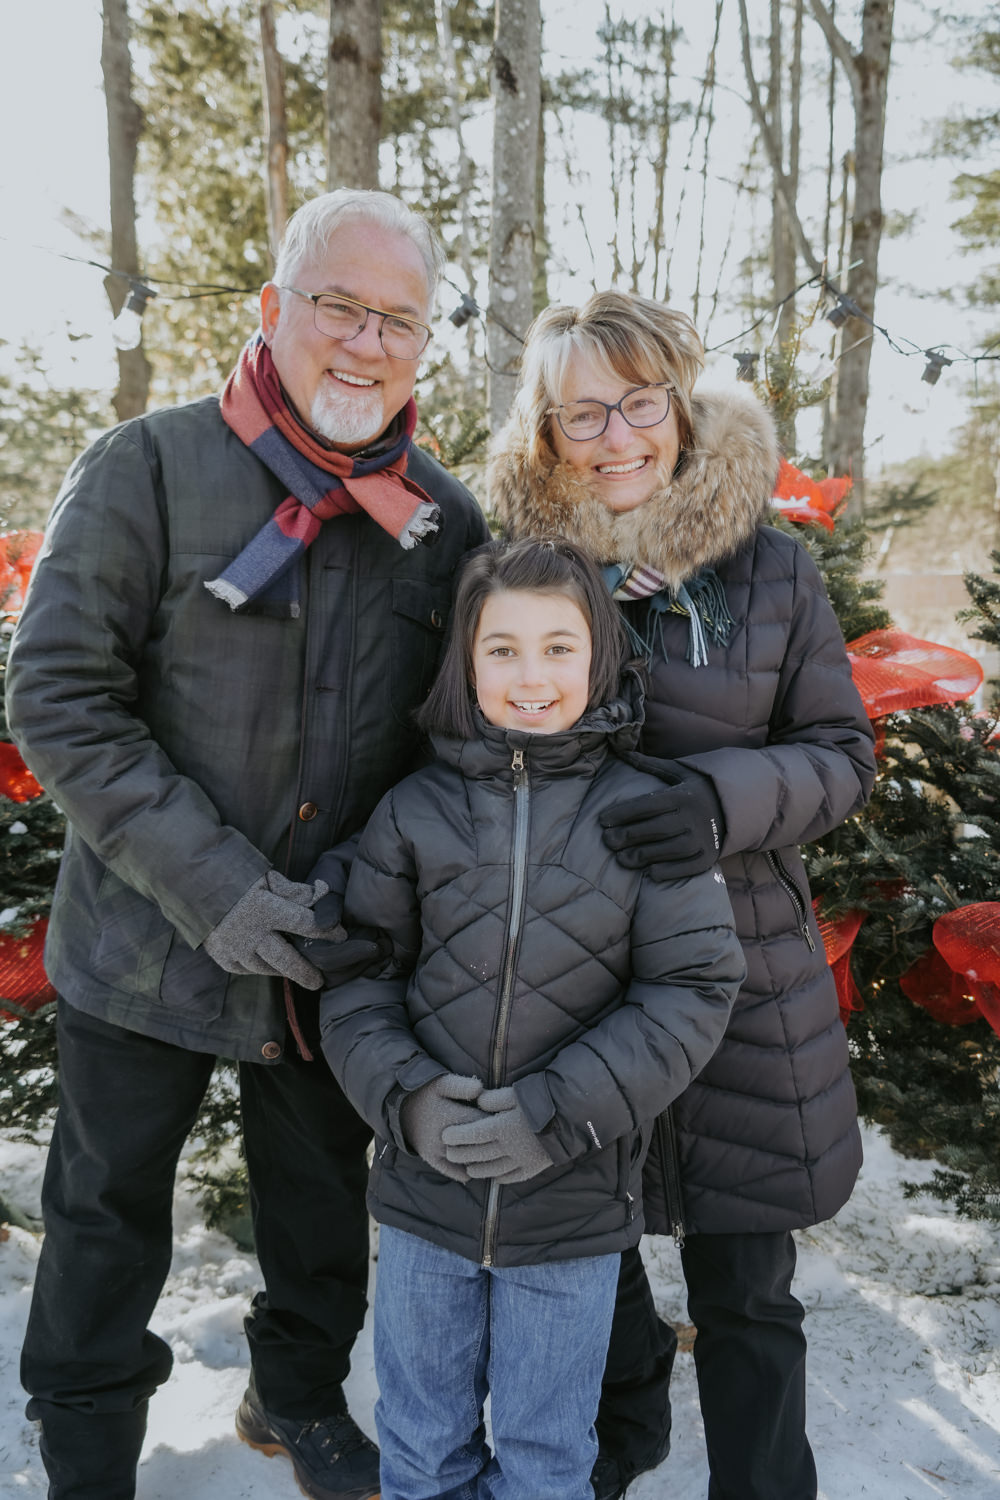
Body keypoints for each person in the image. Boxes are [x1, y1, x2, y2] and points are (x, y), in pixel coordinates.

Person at [5, 187, 489, 1500]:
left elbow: (458, 736)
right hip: (142, 938)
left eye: (400, 320)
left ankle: (299, 1396)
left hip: (333, 949)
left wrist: (369, 897)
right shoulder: (147, 467)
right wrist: (214, 883)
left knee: (321, 1202)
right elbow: (60, 695)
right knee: (104, 1214)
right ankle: (88, 1449)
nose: (368, 343)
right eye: (340, 306)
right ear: (274, 308)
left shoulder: (441, 522)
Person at [488, 292, 878, 1500]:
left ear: (680, 402)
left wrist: (719, 800)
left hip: (739, 970)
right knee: (581, 1258)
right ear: (546, 433)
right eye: (582, 414)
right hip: (565, 974)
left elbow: (840, 754)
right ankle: (620, 1431)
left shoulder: (771, 568)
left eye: (638, 403)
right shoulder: (515, 574)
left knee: (747, 1288)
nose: (616, 438)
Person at [315, 537, 747, 1500]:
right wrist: (407, 1100)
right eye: (502, 649)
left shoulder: (643, 815)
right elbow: (360, 977)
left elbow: (693, 987)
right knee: (420, 1448)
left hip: (571, 1207)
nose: (532, 676)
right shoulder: (412, 812)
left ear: (601, 656)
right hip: (425, 1203)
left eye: (559, 647)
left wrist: (556, 1112)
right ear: (465, 664)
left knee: (546, 1455)